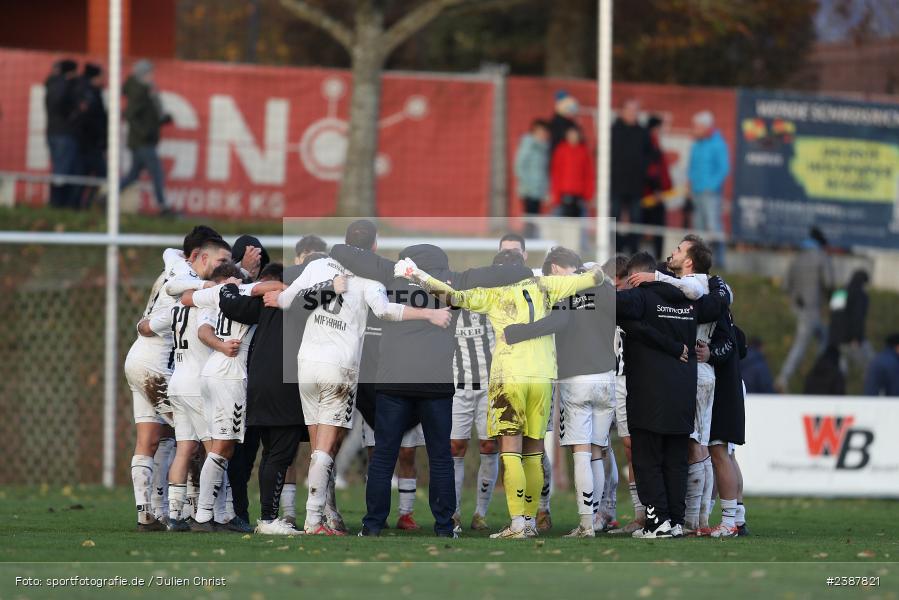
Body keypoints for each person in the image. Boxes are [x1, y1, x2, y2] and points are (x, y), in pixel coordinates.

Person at [397, 249, 607, 539]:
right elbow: (595, 278)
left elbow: (450, 296)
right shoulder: (547, 285)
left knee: (510, 450)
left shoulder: (493, 295)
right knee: (534, 452)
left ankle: (518, 524)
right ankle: (531, 522)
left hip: (509, 376)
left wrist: (416, 275)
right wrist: (593, 268)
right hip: (544, 377)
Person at [268, 220, 451, 535]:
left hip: (305, 365)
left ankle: (326, 514)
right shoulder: (370, 278)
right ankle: (314, 521)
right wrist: (429, 313)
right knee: (327, 447)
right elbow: (385, 311)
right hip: (338, 368)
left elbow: (286, 300)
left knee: (317, 449)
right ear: (374, 247)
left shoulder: (316, 266)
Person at [502, 247, 617, 538]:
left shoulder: (564, 291)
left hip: (575, 377)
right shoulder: (603, 285)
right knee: (597, 451)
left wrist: (518, 332)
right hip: (606, 376)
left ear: (554, 268)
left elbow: (559, 322)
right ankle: (598, 519)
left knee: (581, 452)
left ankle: (586, 524)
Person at [219, 262, 338, 534]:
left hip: (259, 382)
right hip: (286, 383)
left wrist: (231, 287)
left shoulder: (267, 302)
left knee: (271, 453)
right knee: (279, 455)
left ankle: (268, 517)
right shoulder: (304, 301)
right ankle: (269, 519)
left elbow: (230, 305)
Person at [616, 252, 729, 539]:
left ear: (635, 278)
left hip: (649, 394)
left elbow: (607, 306)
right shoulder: (690, 301)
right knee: (675, 460)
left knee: (647, 460)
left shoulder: (639, 298)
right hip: (682, 391)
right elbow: (717, 307)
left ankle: (657, 523)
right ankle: (675, 521)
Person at [125, 226, 224, 531]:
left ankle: (149, 512)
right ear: (197, 256)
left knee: (153, 439)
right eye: (219, 261)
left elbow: (147, 325)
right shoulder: (188, 281)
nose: (221, 268)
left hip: (138, 359)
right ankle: (193, 509)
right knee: (192, 436)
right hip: (158, 366)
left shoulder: (173, 266)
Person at [776, 228, 834, 391]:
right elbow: (829, 283)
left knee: (825, 337)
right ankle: (784, 377)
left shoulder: (797, 258)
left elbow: (785, 285)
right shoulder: (822, 257)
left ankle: (821, 370)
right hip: (812, 309)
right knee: (801, 345)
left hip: (796, 308)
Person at [120, 60, 173, 214]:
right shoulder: (139, 91)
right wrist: (144, 132)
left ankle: (105, 198)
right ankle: (163, 207)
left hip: (143, 140)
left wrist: (162, 120)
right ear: (142, 74)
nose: (152, 76)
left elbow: (146, 115)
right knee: (157, 173)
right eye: (150, 73)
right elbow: (130, 115)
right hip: (143, 142)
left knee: (132, 176)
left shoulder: (146, 89)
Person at [687, 111, 729, 268]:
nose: (694, 129)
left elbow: (723, 168)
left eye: (697, 126)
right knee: (698, 227)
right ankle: (700, 262)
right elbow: (692, 165)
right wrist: (690, 182)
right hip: (696, 191)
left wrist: (710, 185)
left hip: (710, 193)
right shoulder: (697, 144)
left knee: (713, 227)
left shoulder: (718, 144)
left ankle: (719, 262)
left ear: (706, 126)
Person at [611, 100, 651, 254]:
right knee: (614, 217)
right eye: (629, 110)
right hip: (616, 183)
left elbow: (649, 155)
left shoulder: (642, 132)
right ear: (622, 112)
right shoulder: (614, 130)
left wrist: (642, 171)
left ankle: (634, 249)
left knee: (636, 218)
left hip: (636, 185)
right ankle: (617, 247)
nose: (632, 114)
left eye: (635, 111)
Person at [44, 59, 81, 209]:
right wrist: (73, 114)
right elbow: (62, 106)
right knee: (62, 169)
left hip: (52, 131)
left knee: (59, 168)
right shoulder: (64, 86)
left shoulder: (51, 85)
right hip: (63, 133)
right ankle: (57, 204)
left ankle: (56, 203)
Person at [74, 63, 107, 208]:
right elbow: (90, 119)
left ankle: (82, 204)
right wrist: (99, 139)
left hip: (92, 143)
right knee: (98, 174)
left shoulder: (93, 92)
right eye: (101, 76)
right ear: (95, 77)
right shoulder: (88, 93)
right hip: (89, 143)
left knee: (89, 176)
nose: (104, 80)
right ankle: (82, 204)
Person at [829, 270, 872, 375]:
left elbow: (834, 315)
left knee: (840, 372)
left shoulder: (840, 292)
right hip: (851, 340)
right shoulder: (860, 295)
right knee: (871, 367)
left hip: (835, 340)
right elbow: (858, 317)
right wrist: (856, 337)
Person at [513, 119, 551, 238]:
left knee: (536, 217)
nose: (542, 134)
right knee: (530, 217)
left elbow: (543, 171)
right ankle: (528, 240)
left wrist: (545, 189)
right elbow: (519, 166)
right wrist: (527, 184)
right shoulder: (528, 145)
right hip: (529, 189)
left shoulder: (543, 149)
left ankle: (533, 239)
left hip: (539, 190)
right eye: (540, 131)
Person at [642, 115, 672, 259]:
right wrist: (657, 191)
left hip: (653, 194)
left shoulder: (654, 145)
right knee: (652, 228)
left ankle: (648, 259)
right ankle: (655, 259)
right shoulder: (650, 146)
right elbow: (652, 172)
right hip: (651, 196)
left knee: (652, 229)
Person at [550, 127, 594, 218]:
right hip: (563, 194)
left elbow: (588, 174)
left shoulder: (584, 151)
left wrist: (589, 195)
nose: (573, 137)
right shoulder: (561, 150)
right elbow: (556, 173)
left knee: (580, 224)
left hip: (580, 195)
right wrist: (556, 195)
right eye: (570, 134)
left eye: (575, 134)